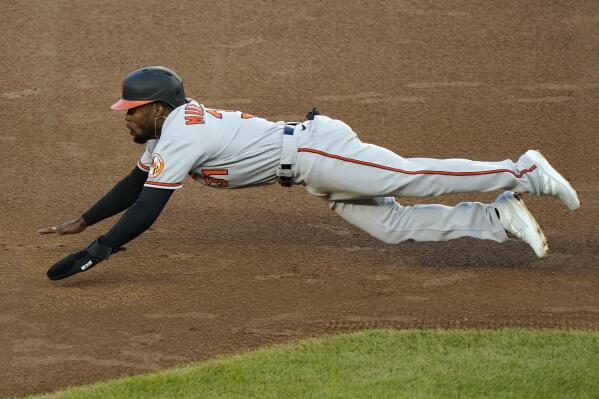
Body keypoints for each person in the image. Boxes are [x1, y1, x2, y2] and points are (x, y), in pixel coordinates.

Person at [39, 66, 580, 281]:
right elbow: (135, 184)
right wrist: (84, 222)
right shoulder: (168, 131)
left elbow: (150, 205)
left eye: (129, 108)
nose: (125, 116)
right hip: (308, 171)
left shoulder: (182, 134)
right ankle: (496, 219)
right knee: (389, 226)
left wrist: (100, 250)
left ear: (155, 106)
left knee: (406, 177)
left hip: (319, 151)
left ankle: (521, 170)